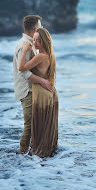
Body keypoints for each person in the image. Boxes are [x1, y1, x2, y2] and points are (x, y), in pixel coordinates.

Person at [13, 15, 53, 154]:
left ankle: (31, 152)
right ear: (36, 28)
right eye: (41, 26)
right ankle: (22, 154)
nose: (42, 28)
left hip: (32, 90)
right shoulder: (24, 45)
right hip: (27, 91)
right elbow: (23, 72)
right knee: (29, 125)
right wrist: (43, 81)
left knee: (34, 125)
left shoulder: (32, 44)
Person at [19, 27, 58, 157]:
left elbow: (21, 68)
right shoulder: (50, 55)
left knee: (39, 128)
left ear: (45, 42)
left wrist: (25, 50)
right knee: (46, 129)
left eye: (38, 41)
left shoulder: (40, 56)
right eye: (34, 39)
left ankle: (38, 156)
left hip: (41, 95)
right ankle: (47, 154)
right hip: (50, 94)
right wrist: (32, 50)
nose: (35, 43)